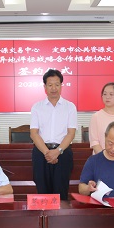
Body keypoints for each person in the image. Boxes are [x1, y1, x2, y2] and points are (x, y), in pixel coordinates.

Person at [30, 69, 77, 200]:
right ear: (45, 87)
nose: (53, 88)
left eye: (57, 84)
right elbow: (34, 133)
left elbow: (71, 133)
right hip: (41, 153)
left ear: (61, 85)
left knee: (61, 193)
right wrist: (47, 153)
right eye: (50, 85)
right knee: (42, 193)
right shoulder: (37, 107)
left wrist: (58, 151)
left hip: (63, 153)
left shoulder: (70, 107)